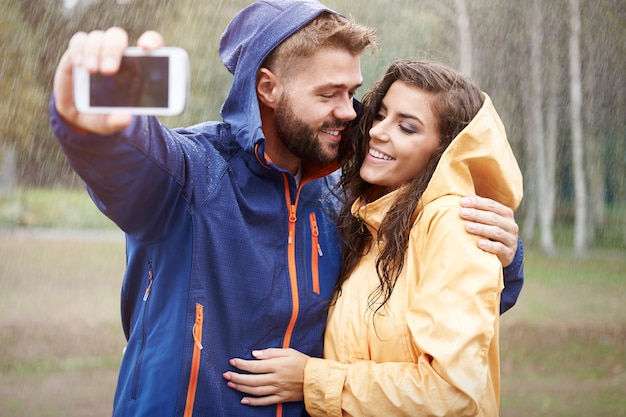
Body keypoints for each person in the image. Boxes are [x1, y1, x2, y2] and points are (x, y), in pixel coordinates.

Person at [49, 1, 523, 416]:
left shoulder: (342, 197)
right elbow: (127, 160)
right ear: (268, 88)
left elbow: (420, 309)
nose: (352, 112)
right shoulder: (193, 173)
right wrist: (90, 128)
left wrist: (502, 253)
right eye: (329, 94)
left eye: (352, 91)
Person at [223, 60, 523, 416]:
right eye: (380, 116)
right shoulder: (366, 220)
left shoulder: (451, 225)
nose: (378, 132)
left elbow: (452, 395)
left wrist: (313, 381)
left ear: (444, 152)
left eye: (407, 128)